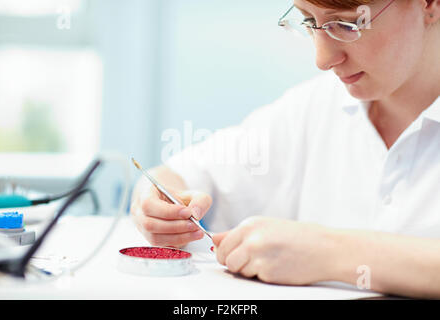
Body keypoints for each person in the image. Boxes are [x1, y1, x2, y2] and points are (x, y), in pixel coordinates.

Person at [130, 0, 440, 299]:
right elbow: (177, 175)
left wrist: (329, 253)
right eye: (309, 22)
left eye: (345, 25)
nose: (321, 59)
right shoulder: (313, 109)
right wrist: (156, 202)